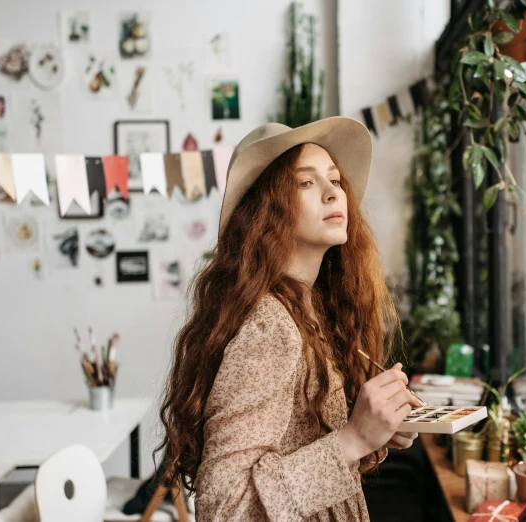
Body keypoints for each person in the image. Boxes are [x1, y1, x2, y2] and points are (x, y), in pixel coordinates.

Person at [158, 117, 420, 521]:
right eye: (307, 183)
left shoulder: (312, 308)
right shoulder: (270, 325)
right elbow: (221, 507)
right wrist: (352, 439)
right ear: (268, 210)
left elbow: (302, 452)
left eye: (335, 179)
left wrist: (373, 433)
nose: (335, 193)